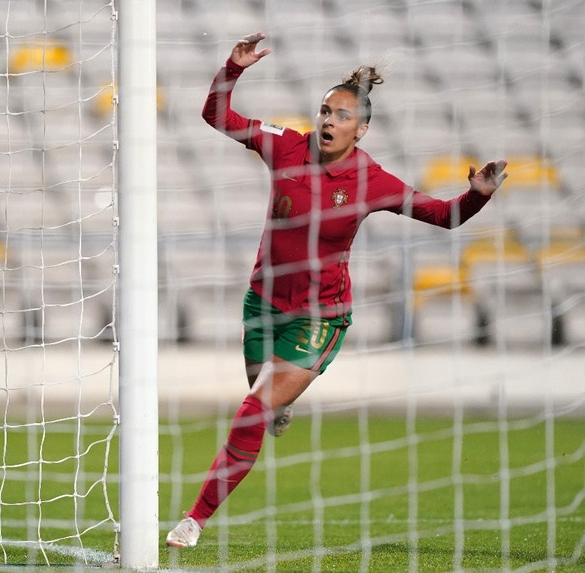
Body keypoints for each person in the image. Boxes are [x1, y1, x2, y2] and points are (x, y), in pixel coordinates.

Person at [165, 32, 508, 548]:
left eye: (341, 116)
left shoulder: (371, 179)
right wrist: (232, 70)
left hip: (319, 316)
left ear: (362, 129)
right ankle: (280, 402)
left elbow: (443, 216)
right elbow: (217, 117)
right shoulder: (285, 145)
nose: (328, 120)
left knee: (253, 408)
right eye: (325, 111)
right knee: (262, 399)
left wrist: (476, 195)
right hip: (262, 301)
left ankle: (194, 519)